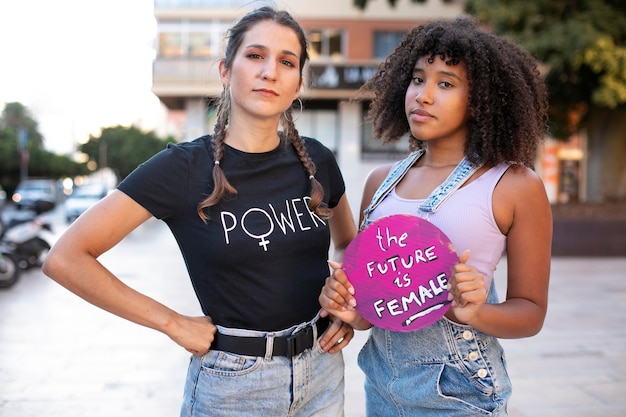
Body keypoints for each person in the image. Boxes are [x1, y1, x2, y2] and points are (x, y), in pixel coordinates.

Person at [43, 6, 357, 417]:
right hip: (234, 385)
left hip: (322, 373)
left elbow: (350, 244)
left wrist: (347, 306)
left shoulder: (317, 159)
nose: (270, 72)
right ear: (226, 70)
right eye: (255, 56)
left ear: (298, 82)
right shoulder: (182, 168)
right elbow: (65, 258)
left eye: (286, 61)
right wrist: (172, 322)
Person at [319, 17, 552, 416]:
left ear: (480, 100)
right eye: (417, 79)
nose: (423, 96)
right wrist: (348, 310)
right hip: (382, 386)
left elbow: (530, 313)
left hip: (460, 392)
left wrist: (477, 312)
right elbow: (375, 312)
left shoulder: (513, 185)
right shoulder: (380, 183)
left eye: (445, 83)